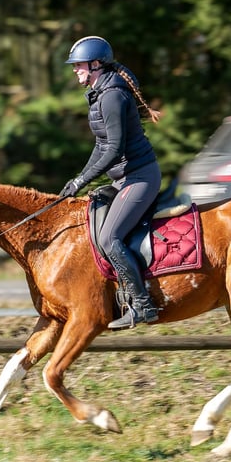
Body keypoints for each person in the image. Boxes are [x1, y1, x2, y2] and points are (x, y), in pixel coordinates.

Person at [60, 36, 162, 330]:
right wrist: (78, 179)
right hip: (125, 177)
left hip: (140, 177)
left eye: (78, 64)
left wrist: (82, 179)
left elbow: (115, 149)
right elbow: (101, 146)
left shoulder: (112, 96)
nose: (75, 70)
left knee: (109, 238)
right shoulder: (99, 93)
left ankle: (143, 305)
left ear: (95, 64)